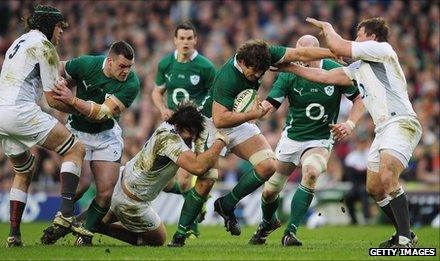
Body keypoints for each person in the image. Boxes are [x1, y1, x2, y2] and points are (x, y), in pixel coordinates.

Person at [168, 38, 340, 247]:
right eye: (253, 72)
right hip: (212, 124)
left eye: (261, 71)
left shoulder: (264, 54)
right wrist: (252, 114)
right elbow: (221, 118)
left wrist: (332, 52)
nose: (257, 76)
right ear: (241, 62)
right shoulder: (228, 77)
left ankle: (227, 203)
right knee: (206, 181)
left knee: (268, 166)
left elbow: (299, 54)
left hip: (239, 119)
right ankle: (179, 234)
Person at [281, 17, 422, 248]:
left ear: (372, 38)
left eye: (359, 35)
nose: (356, 39)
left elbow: (337, 46)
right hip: (384, 128)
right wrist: (288, 66)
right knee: (375, 188)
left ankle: (405, 241)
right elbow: (324, 76)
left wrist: (327, 27)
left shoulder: (381, 49)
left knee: (388, 177)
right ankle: (405, 233)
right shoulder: (359, 67)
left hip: (401, 122)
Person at [0, 5, 92, 247]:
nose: (61, 33)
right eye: (59, 28)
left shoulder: (17, 43)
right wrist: (83, 110)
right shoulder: (45, 46)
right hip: (19, 111)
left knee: (23, 172)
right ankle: (66, 214)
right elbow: (53, 99)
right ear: (49, 27)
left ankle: (13, 235)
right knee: (75, 149)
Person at [248, 35, 364, 247]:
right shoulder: (289, 73)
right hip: (292, 137)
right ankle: (266, 223)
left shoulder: (334, 69)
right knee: (271, 189)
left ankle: (290, 231)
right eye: (298, 53)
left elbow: (358, 99)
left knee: (311, 172)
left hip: (320, 138)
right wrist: (259, 111)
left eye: (305, 55)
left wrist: (350, 124)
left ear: (315, 52)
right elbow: (270, 106)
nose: (300, 59)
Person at [39, 41, 140, 245]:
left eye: (129, 66)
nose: (126, 71)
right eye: (122, 66)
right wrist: (52, 80)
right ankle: (62, 221)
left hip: (106, 135)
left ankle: (84, 234)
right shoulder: (87, 64)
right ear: (109, 61)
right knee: (81, 185)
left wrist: (71, 99)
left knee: (105, 193)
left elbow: (102, 113)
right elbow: (58, 66)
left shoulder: (131, 84)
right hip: (79, 133)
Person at [90, 103, 228, 246]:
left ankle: (79, 223)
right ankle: (99, 227)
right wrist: (220, 141)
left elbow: (165, 183)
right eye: (189, 131)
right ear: (178, 125)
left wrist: (186, 194)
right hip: (132, 201)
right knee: (158, 239)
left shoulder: (166, 127)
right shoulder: (170, 140)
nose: (193, 136)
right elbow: (198, 167)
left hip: (121, 180)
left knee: (88, 219)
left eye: (195, 131)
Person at [152, 21, 216, 237]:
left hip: (194, 129)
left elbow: (214, 96)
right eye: (182, 38)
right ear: (175, 40)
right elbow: (156, 92)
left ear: (195, 40)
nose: (186, 42)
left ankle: (189, 227)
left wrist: (199, 112)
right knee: (163, 180)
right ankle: (200, 203)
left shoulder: (205, 67)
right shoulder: (165, 64)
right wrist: (162, 108)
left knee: (185, 179)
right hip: (172, 127)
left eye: (190, 38)